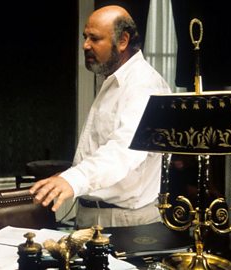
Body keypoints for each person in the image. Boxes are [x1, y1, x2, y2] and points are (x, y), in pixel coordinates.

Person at [29, 5, 171, 229]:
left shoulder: (144, 85)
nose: (85, 45)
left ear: (123, 41)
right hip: (95, 215)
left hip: (123, 222)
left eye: (94, 39)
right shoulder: (113, 79)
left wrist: (73, 179)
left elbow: (124, 150)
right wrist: (71, 173)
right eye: (85, 37)